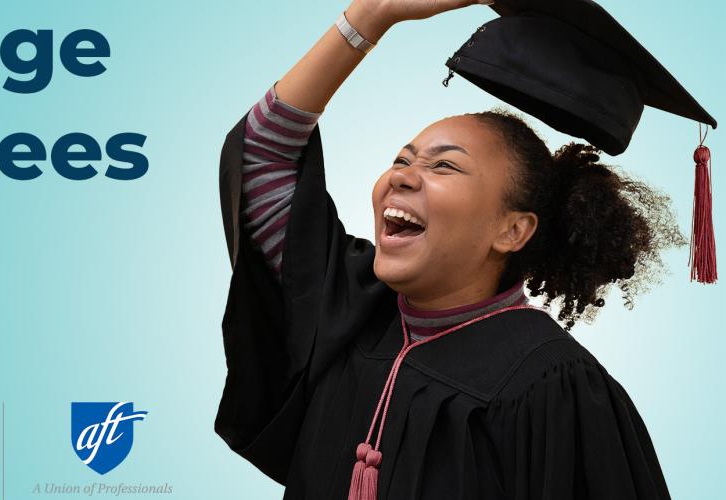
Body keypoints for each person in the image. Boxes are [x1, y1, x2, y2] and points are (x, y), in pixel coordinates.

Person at [214, 0, 688, 498]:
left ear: (513, 230)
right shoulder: (345, 309)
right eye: (402, 158)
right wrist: (370, 16)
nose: (401, 175)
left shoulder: (554, 385)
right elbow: (263, 151)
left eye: (444, 167)